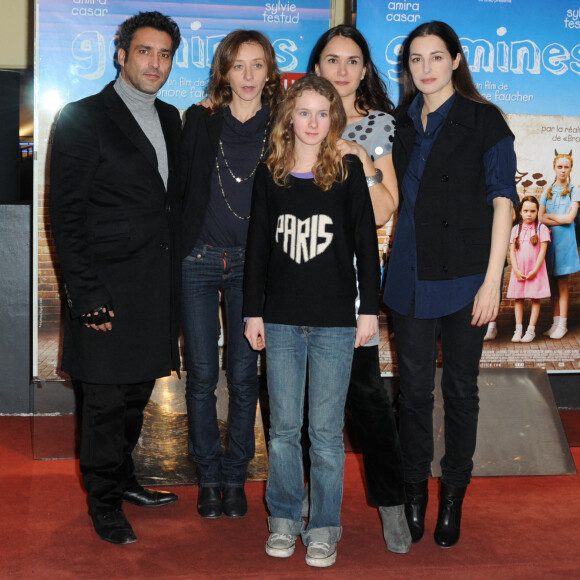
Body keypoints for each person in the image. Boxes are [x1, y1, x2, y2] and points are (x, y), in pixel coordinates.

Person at [49, 11, 182, 544]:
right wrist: (85, 294)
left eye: (165, 54)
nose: (155, 63)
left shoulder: (172, 118)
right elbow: (66, 213)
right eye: (145, 51)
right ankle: (103, 502)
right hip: (104, 288)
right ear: (121, 55)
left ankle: (123, 478)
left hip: (154, 287)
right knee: (103, 403)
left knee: (135, 395)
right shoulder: (82, 117)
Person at [384, 21, 518, 548]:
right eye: (416, 59)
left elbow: (504, 201)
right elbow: (368, 170)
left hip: (467, 280)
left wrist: (493, 282)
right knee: (412, 395)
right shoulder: (396, 123)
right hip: (409, 278)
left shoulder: (485, 121)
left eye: (436, 57)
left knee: (461, 392)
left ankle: (453, 495)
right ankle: (414, 491)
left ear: (457, 60)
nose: (426, 68)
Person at [243, 74, 379, 568]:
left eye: (323, 113)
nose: (313, 122)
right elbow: (257, 247)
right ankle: (283, 520)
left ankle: (323, 526)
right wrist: (251, 311)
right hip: (278, 321)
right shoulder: (269, 175)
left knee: (324, 433)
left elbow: (366, 246)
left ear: (334, 120)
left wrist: (369, 311)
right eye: (304, 112)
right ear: (288, 117)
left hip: (336, 324)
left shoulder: (346, 170)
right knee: (282, 429)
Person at [309, 24, 410, 554]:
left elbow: (384, 211)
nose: (342, 70)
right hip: (298, 280)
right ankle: (308, 504)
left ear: (365, 69)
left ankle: (391, 506)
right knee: (299, 405)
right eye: (332, 59)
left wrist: (365, 164)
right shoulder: (298, 120)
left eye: (352, 60)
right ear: (317, 65)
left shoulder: (378, 126)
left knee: (367, 401)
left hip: (351, 284)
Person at [180, 30, 281, 519]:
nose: (246, 76)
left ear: (270, 71)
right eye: (237, 66)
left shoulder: (282, 123)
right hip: (197, 260)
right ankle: (207, 476)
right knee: (200, 377)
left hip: (253, 265)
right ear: (222, 70)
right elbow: (178, 189)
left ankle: (235, 475)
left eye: (256, 65)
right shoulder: (198, 119)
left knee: (243, 377)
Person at [539, 152, 580, 339]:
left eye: (566, 167)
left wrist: (551, 218)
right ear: (554, 168)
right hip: (550, 242)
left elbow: (570, 218)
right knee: (553, 285)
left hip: (566, 242)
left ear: (571, 169)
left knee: (563, 284)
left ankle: (563, 324)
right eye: (560, 166)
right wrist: (560, 218)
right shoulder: (547, 190)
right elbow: (540, 217)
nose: (563, 170)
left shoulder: (574, 190)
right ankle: (555, 323)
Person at [506, 196, 551, 343]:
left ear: (537, 211)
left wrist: (535, 270)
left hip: (535, 270)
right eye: (526, 210)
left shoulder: (541, 228)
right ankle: (518, 330)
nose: (529, 214)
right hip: (519, 270)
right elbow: (512, 251)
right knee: (518, 298)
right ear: (520, 212)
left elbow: (542, 252)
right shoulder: (515, 229)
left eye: (533, 211)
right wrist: (516, 269)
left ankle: (530, 330)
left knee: (535, 299)